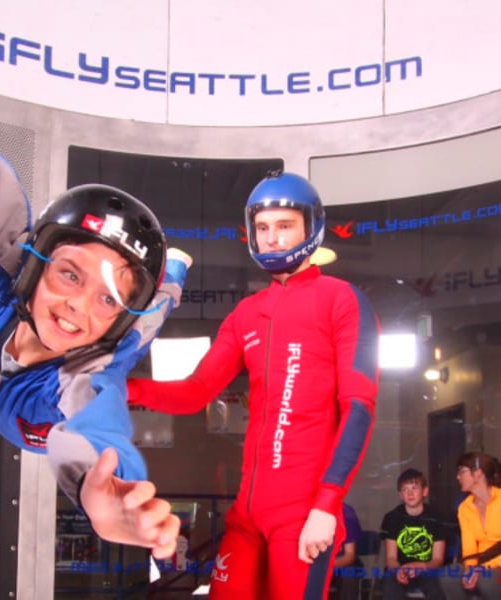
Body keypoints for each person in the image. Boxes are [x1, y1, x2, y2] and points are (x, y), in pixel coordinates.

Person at [0, 45, 189, 557]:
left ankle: (172, 273)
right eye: (67, 274)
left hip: (93, 341)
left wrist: (100, 489)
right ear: (34, 267)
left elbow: (90, 426)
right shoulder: (7, 258)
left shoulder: (84, 373)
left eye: (105, 298)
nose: (76, 308)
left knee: (153, 309)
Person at [127, 171, 381, 598]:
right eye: (263, 228)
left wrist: (327, 505)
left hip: (303, 515)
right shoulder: (247, 313)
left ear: (311, 227)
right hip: (247, 515)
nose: (273, 239)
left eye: (285, 226)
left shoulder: (341, 299)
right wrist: (124, 387)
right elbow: (195, 392)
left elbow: (358, 408)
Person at [443, 451, 501, 600]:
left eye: (462, 471)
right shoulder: (464, 507)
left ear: (478, 473)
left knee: (487, 579)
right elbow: (470, 550)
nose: (458, 477)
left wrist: (482, 569)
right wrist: (470, 569)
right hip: (480, 561)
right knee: (449, 575)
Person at [380, 468, 448, 600]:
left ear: (425, 491)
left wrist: (421, 566)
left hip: (427, 569)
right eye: (405, 489)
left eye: (414, 488)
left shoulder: (437, 518)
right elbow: (391, 557)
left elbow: (438, 559)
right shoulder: (391, 518)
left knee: (438, 587)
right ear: (400, 495)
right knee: (389, 585)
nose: (409, 493)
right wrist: (398, 570)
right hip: (399, 569)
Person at [329, 503, 363, 600]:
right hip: (312, 563)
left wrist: (328, 567)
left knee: (350, 574)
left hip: (340, 562)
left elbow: (350, 555)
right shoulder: (300, 510)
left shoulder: (346, 512)